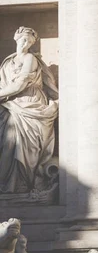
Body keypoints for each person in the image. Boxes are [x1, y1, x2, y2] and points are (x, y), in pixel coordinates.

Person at [0, 27, 58, 193]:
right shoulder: (8, 62)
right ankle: (8, 187)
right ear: (16, 38)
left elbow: (20, 84)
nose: (25, 44)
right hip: (10, 105)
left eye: (30, 42)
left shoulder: (30, 58)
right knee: (7, 145)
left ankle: (20, 186)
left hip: (29, 104)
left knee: (20, 146)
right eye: (23, 40)